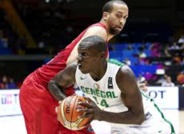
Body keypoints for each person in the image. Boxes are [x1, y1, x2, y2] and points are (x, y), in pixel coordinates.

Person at [19, 1, 129, 134]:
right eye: (118, 15)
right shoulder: (99, 31)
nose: (121, 21)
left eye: (125, 18)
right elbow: (71, 64)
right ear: (105, 15)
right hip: (40, 88)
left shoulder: (103, 47)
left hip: (60, 90)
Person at [48, 36, 175, 134]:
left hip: (147, 124)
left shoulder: (121, 74)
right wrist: (67, 102)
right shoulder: (75, 71)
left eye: (84, 54)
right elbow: (53, 83)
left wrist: (99, 115)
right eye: (79, 53)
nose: (79, 58)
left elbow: (138, 117)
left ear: (101, 56)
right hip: (118, 125)